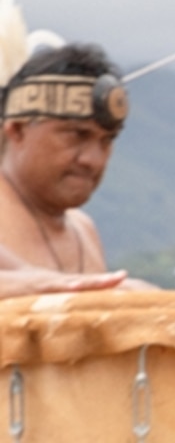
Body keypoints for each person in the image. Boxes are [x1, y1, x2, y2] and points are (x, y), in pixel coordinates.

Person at [0, 39, 132, 300]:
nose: (92, 159)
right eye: (76, 135)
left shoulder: (84, 229)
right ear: (17, 129)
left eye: (107, 140)